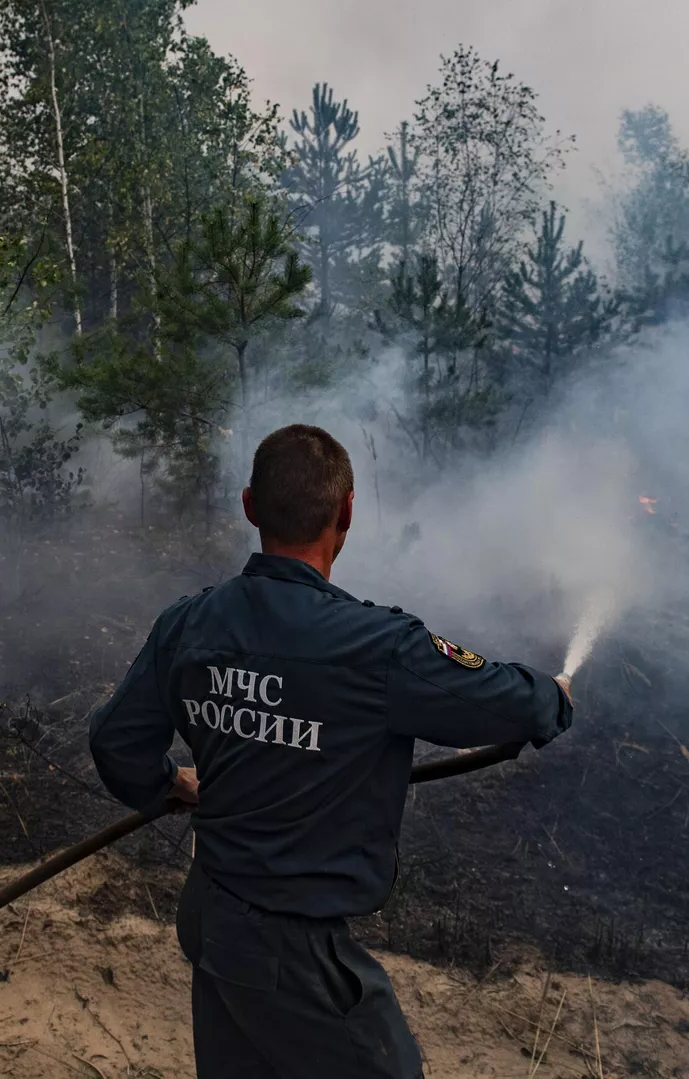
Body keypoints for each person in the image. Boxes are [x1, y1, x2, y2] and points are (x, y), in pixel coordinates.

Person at [87, 424, 573, 1079]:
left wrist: (170, 781)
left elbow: (115, 741)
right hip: (290, 952)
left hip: (212, 918)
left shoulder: (189, 623)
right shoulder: (377, 647)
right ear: (346, 512)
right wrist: (554, 694)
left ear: (250, 506)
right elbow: (511, 702)